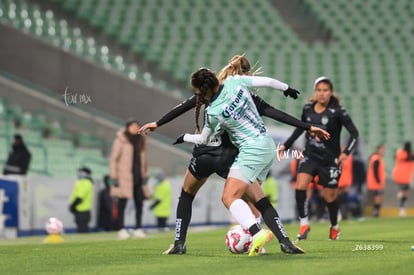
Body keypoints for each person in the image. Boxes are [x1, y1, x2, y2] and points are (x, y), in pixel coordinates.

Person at [140, 56, 328, 255]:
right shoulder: (240, 87)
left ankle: (180, 243)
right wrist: (293, 101)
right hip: (236, 155)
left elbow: (187, 112)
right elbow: (275, 109)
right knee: (257, 199)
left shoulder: (210, 106)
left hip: (205, 155)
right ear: (243, 75)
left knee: (189, 194)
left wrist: (162, 126)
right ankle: (283, 241)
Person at [279, 76, 359, 240]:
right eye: (319, 90)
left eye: (325, 90)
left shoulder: (338, 111)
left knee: (330, 197)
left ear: (331, 92)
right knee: (300, 186)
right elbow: (300, 129)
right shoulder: (308, 108)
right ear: (315, 92)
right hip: (310, 156)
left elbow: (354, 133)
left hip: (330, 160)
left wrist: (346, 153)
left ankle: (334, 226)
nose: (322, 94)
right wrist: (285, 145)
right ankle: (304, 225)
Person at [110, 119, 150, 239]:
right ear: (127, 128)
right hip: (124, 177)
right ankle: (121, 229)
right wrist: (114, 177)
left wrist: (146, 174)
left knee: (139, 203)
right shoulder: (120, 141)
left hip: (138, 177)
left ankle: (138, 228)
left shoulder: (141, 140)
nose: (134, 128)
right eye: (132, 126)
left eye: (136, 126)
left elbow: (145, 160)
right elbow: (113, 159)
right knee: (122, 203)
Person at [391, 141, 414, 217]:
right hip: (405, 177)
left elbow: (395, 157)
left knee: (403, 192)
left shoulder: (399, 152)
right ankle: (402, 209)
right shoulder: (409, 155)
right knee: (405, 194)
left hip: (397, 175)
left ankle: (401, 194)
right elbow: (409, 158)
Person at [69, 167, 94, 233]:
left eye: (81, 172)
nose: (79, 174)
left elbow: (79, 197)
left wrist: (73, 206)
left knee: (82, 231)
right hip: (82, 212)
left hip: (82, 212)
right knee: (82, 230)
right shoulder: (85, 182)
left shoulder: (85, 183)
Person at [366, 144, 386, 217]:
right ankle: (376, 212)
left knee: (379, 197)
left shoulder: (377, 158)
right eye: (382, 150)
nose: (384, 151)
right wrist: (378, 181)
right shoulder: (376, 158)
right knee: (377, 197)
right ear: (378, 150)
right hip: (376, 183)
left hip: (377, 182)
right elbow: (375, 171)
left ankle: (376, 211)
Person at [337, 147, 353, 220]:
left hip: (343, 179)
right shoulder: (348, 157)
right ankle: (341, 214)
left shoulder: (345, 157)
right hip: (341, 179)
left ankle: (343, 214)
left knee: (342, 198)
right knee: (339, 197)